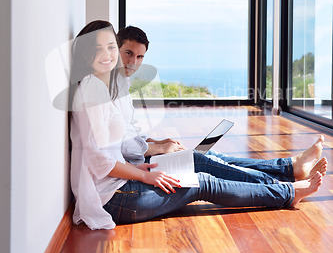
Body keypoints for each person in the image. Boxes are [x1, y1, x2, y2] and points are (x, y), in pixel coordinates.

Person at [70, 20, 327, 230]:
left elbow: (115, 146)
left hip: (123, 181)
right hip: (114, 199)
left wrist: (150, 155)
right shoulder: (93, 91)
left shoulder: (103, 87)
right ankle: (286, 190)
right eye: (99, 50)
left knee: (201, 157)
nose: (110, 57)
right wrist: (146, 172)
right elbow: (99, 160)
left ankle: (287, 172)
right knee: (202, 181)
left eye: (110, 49)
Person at [117, 25, 185, 157]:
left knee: (211, 156)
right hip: (137, 162)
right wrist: (161, 148)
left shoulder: (123, 82)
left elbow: (129, 128)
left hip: (140, 155)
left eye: (140, 57)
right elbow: (121, 145)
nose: (133, 62)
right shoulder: (107, 89)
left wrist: (155, 142)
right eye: (128, 53)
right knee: (203, 160)